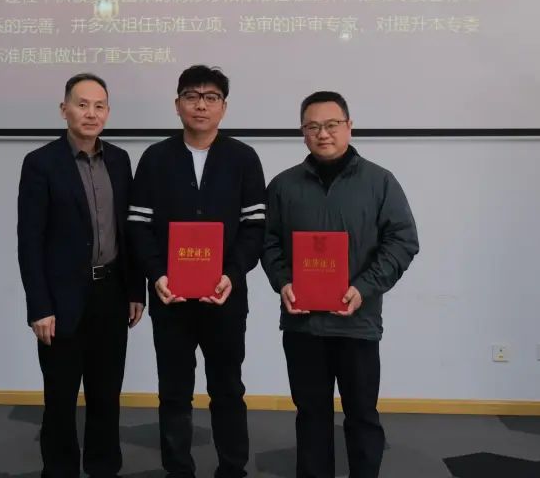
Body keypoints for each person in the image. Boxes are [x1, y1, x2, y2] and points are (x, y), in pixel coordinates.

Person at [261, 91, 419, 478]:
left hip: (357, 323)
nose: (323, 133)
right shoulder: (283, 185)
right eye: (313, 126)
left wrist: (364, 288)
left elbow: (402, 241)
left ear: (349, 126)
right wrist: (283, 282)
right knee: (311, 415)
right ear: (302, 132)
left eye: (332, 124)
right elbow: (267, 242)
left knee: (362, 415)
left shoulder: (380, 182)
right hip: (303, 325)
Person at [127, 64, 266, 478]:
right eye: (191, 96)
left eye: (210, 97)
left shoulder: (243, 158)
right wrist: (156, 274)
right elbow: (138, 225)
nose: (200, 105)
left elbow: (255, 227)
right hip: (170, 299)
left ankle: (233, 468)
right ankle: (178, 470)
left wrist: (232, 275)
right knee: (174, 393)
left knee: (228, 390)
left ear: (223, 107)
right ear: (177, 105)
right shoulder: (155, 158)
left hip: (225, 298)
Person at [17, 73, 146, 478]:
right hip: (62, 300)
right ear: (64, 110)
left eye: (99, 106)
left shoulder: (120, 161)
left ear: (108, 112)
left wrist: (136, 289)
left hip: (112, 292)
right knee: (60, 397)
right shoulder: (41, 163)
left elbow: (129, 232)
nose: (91, 113)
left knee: (106, 395)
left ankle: (104, 467)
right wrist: (39, 306)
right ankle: (59, 470)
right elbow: (30, 241)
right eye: (82, 104)